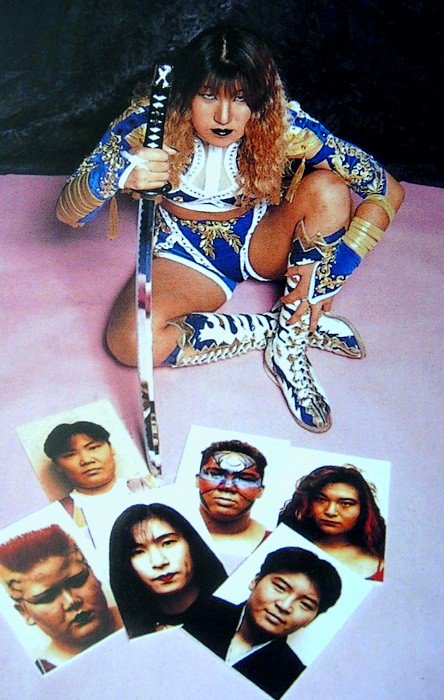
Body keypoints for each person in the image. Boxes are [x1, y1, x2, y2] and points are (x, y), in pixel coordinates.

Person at [56, 24, 404, 433]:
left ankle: (292, 342)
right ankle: (271, 328)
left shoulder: (288, 125)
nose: (224, 116)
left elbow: (387, 191)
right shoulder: (147, 123)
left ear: (260, 98)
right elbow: (66, 212)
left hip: (263, 236)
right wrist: (119, 173)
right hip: (185, 252)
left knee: (329, 189)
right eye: (208, 96)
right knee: (130, 342)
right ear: (186, 92)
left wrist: (330, 278)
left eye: (240, 98)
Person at [184, 546, 341, 699]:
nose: (284, 606)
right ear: (255, 581)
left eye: (305, 604)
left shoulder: (294, 678)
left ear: (312, 619)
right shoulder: (198, 608)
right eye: (280, 587)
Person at [0, 524, 122, 674]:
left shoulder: (143, 610)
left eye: (78, 581)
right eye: (48, 597)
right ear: (24, 612)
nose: (71, 602)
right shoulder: (36, 675)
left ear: (93, 573)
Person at [108, 502, 227, 637]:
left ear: (191, 544)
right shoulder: (130, 635)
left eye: (168, 543)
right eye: (139, 552)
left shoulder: (238, 610)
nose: (159, 562)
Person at [43, 421, 157, 533]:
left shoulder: (151, 485)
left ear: (111, 449)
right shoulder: (59, 516)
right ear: (58, 466)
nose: (86, 460)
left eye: (93, 448)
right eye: (70, 455)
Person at [278, 465, 386, 580]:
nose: (330, 511)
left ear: (363, 510)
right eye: (321, 499)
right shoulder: (280, 541)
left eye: (346, 503)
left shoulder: (385, 562)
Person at [196, 439, 269, 556]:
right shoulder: (167, 529)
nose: (228, 486)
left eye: (245, 478)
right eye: (215, 474)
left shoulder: (274, 543)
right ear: (197, 480)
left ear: (260, 490)